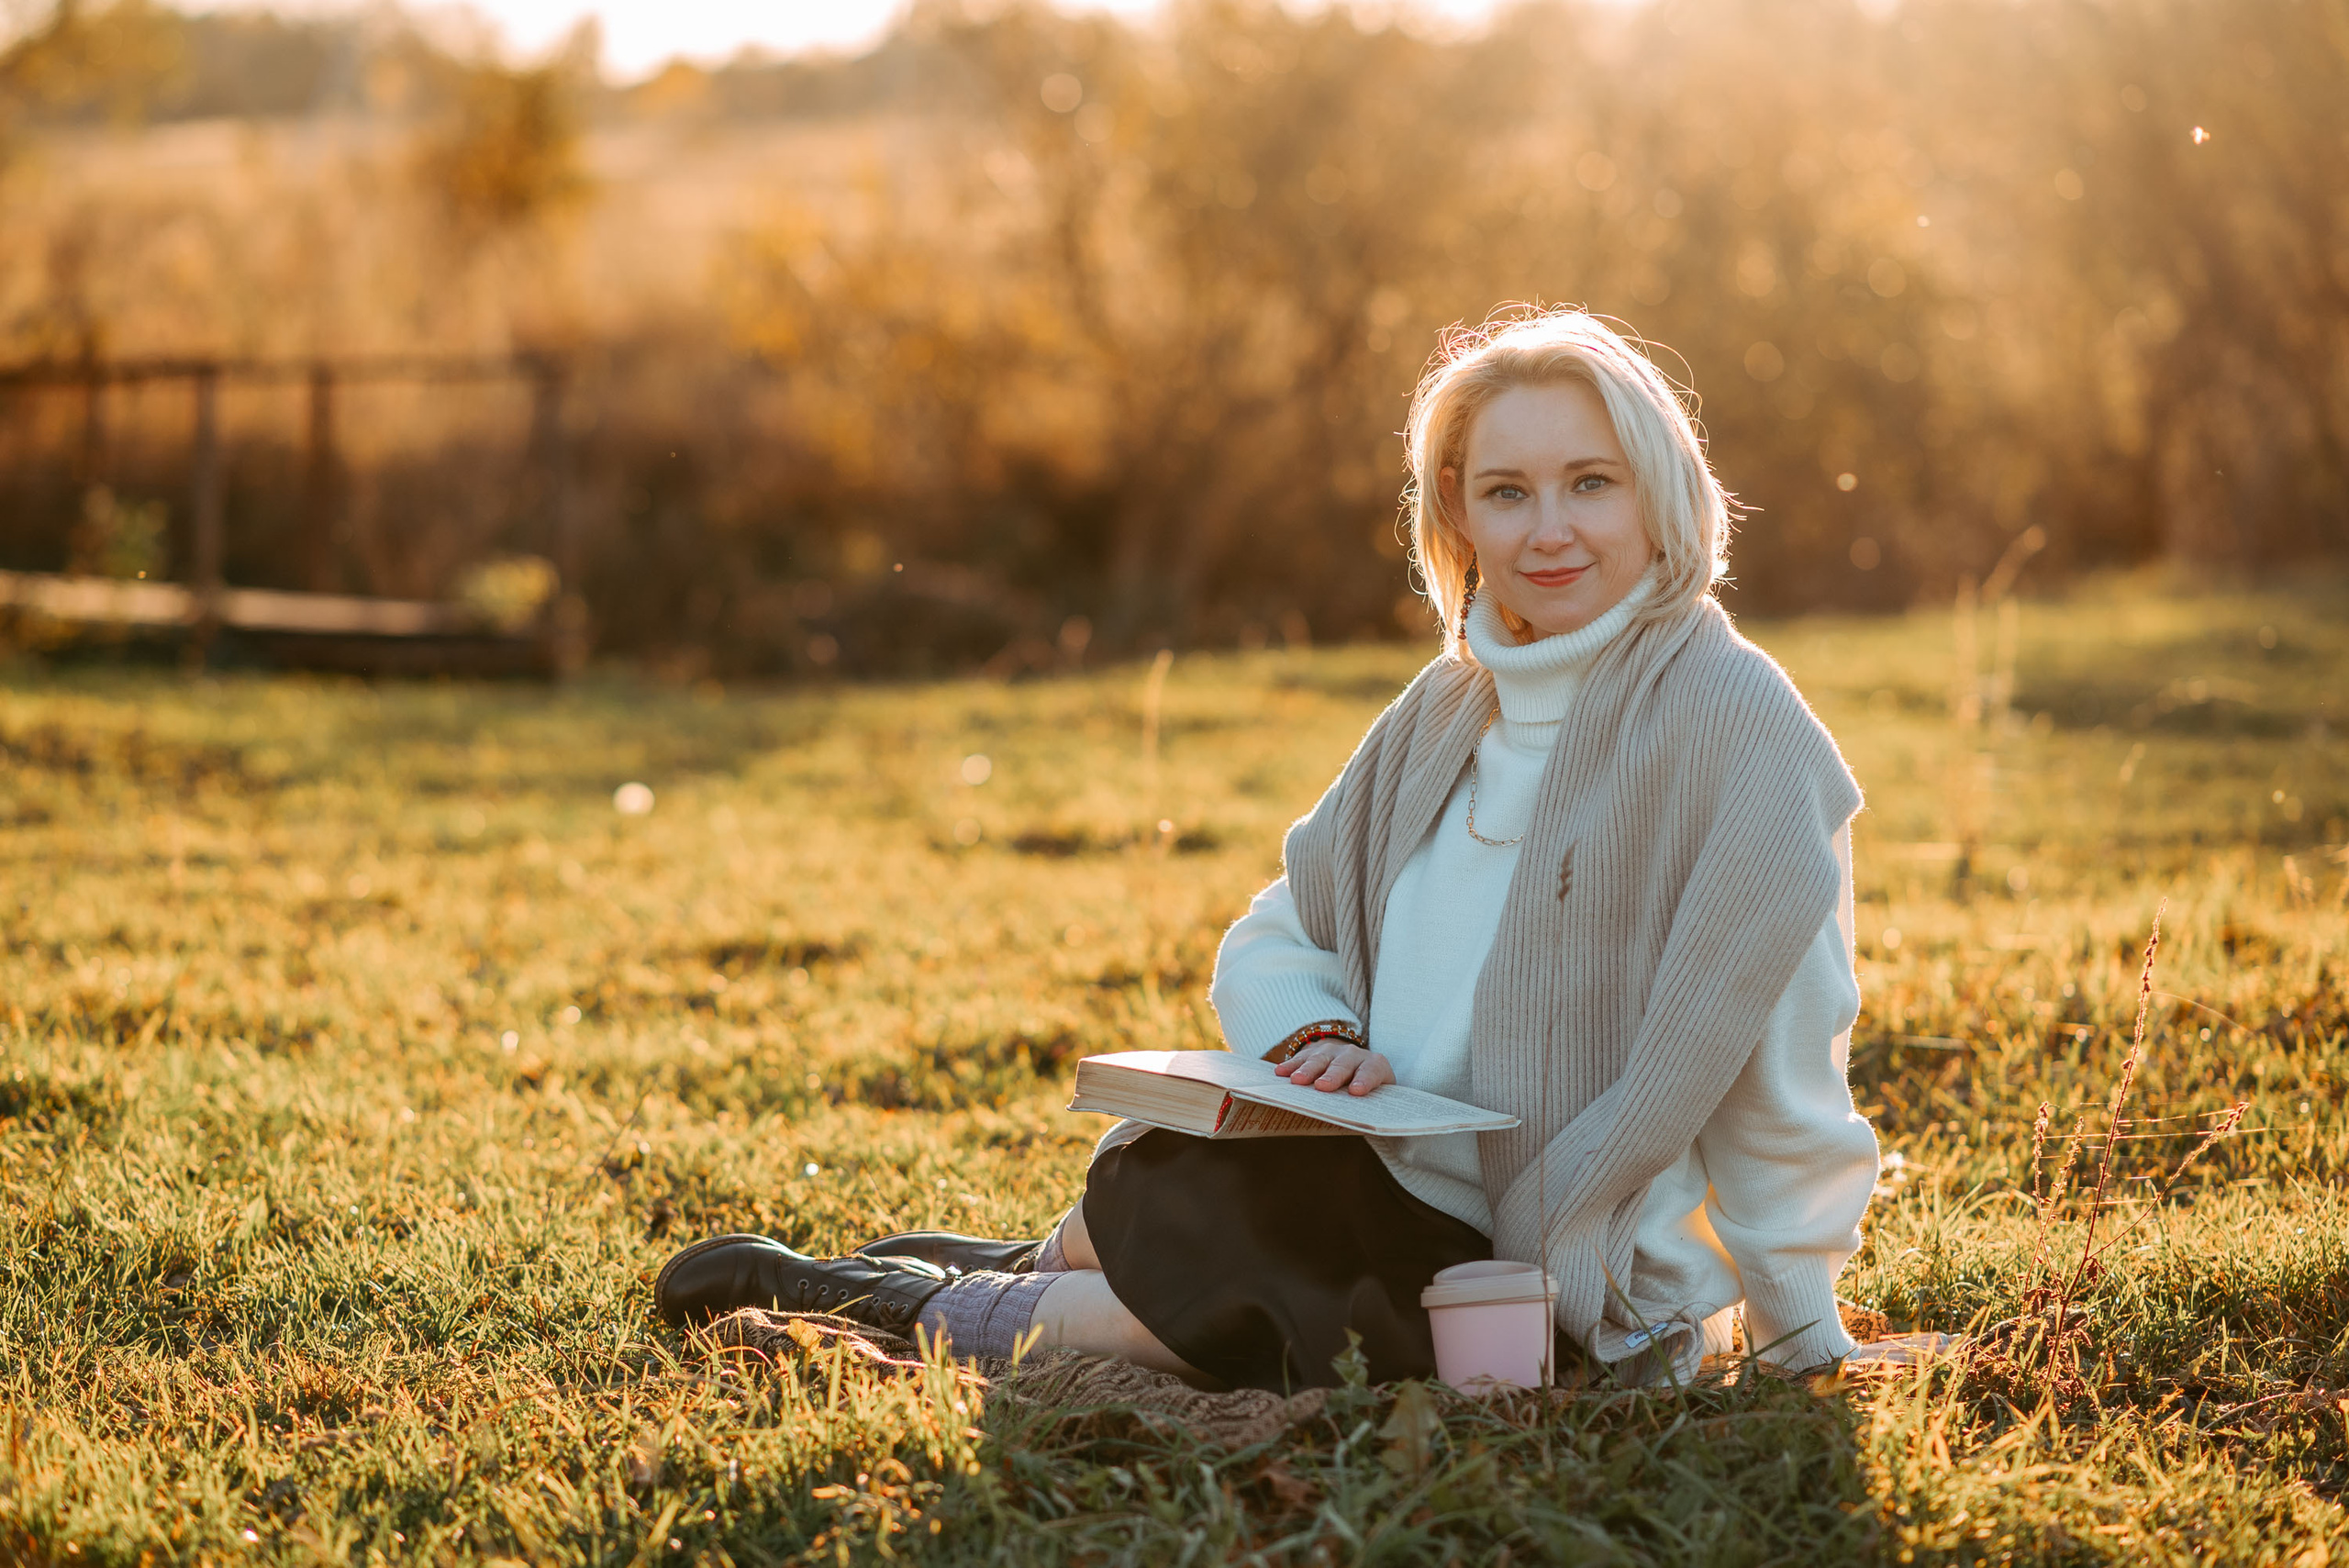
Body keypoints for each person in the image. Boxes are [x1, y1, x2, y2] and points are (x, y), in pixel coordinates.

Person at [654, 307, 1917, 1389]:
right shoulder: (1448, 706)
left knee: (1218, 1308)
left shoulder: (1738, 726)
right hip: (1365, 1166)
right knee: (1185, 1179)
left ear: (1663, 490)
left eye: (1593, 481)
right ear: (1460, 520)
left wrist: (1802, 1325)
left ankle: (890, 1302)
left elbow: (1787, 1062)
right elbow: (1288, 924)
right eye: (1506, 490)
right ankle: (978, 1266)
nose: (1551, 529)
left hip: (1543, 1257)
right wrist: (1313, 1036)